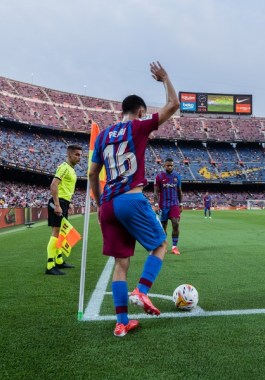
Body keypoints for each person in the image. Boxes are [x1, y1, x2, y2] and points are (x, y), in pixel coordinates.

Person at [89, 61, 179, 337]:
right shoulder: (138, 126)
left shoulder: (103, 135)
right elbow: (173, 104)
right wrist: (165, 78)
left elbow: (92, 173)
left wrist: (97, 199)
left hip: (107, 205)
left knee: (120, 263)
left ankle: (121, 323)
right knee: (160, 246)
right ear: (139, 111)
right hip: (131, 199)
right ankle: (141, 291)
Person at [45, 144, 83, 275]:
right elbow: (53, 185)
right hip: (58, 202)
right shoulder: (64, 167)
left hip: (64, 202)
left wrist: (69, 203)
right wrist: (57, 204)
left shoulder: (72, 169)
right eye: (77, 154)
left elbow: (66, 188)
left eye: (80, 155)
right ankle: (50, 265)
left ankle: (59, 260)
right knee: (56, 231)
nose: (79, 157)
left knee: (62, 232)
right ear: (69, 154)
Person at [154, 158, 183, 255]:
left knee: (176, 223)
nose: (169, 167)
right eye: (168, 165)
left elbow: (179, 191)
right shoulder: (159, 176)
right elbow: (156, 191)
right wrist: (156, 204)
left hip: (174, 204)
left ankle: (174, 247)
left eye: (171, 165)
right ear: (164, 165)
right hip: (163, 205)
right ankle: (163, 245)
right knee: (163, 226)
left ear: (173, 166)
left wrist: (181, 204)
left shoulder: (177, 176)